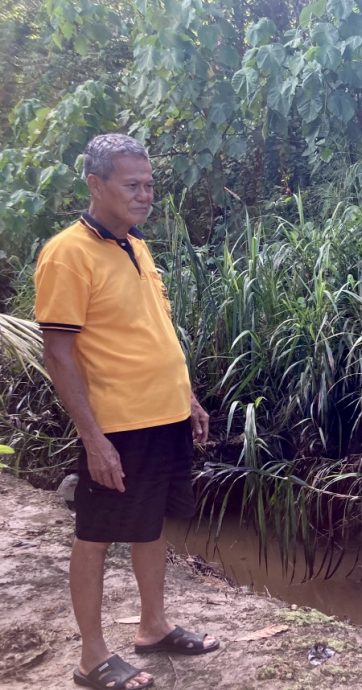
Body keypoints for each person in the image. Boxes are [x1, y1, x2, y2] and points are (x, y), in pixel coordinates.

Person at [35, 134, 219, 690]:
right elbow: (58, 353)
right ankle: (92, 658)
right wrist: (93, 438)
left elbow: (151, 331)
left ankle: (153, 627)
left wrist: (187, 399)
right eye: (132, 185)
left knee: (151, 525)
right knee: (94, 537)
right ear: (95, 185)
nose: (145, 195)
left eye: (149, 185)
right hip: (118, 425)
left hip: (164, 416)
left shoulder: (134, 245)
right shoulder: (68, 254)